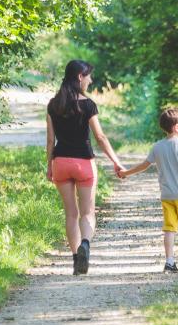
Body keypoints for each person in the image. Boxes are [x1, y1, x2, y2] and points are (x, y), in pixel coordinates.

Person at [46, 59, 123, 275]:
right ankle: (85, 245)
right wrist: (116, 162)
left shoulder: (53, 105)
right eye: (88, 76)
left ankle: (74, 260)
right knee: (88, 213)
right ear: (80, 77)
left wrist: (49, 167)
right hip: (84, 163)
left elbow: (50, 141)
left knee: (71, 214)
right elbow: (100, 136)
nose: (90, 80)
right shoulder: (88, 105)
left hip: (60, 162)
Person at [119, 107, 178, 274]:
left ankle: (169, 261)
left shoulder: (157, 147)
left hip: (166, 195)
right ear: (176, 127)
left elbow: (144, 165)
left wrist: (126, 173)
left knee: (170, 228)